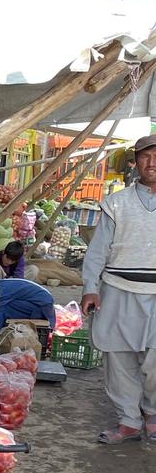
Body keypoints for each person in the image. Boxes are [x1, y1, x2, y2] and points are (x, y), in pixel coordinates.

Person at [81, 134, 156, 444]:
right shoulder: (116, 203)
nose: (152, 163)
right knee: (118, 357)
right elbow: (98, 250)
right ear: (135, 162)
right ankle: (128, 421)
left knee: (155, 361)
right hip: (117, 288)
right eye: (145, 157)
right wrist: (90, 287)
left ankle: (152, 414)